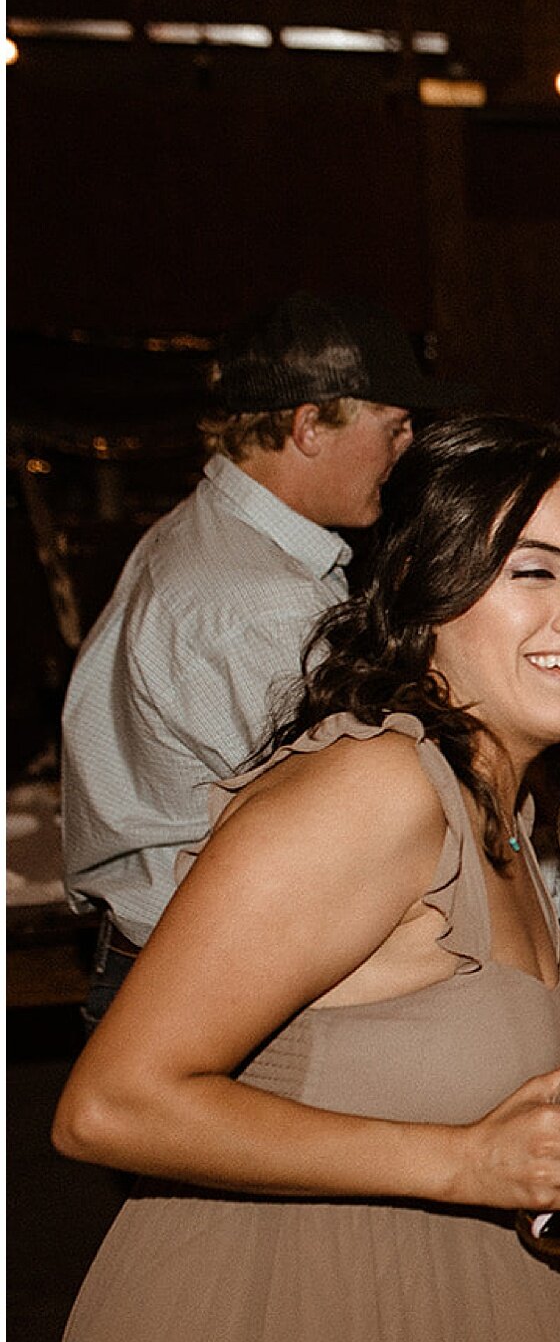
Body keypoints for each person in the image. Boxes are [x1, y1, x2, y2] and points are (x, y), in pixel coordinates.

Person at [44, 416, 560, 1342]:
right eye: (529, 570)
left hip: (432, 1334)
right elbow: (108, 1104)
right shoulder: (375, 785)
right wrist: (465, 1160)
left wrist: (544, 1180)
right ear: (427, 592)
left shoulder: (504, 808)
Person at [58, 291, 470, 1025]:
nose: (407, 448)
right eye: (395, 425)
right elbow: (346, 838)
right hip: (207, 980)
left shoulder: (203, 536)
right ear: (310, 425)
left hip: (165, 958)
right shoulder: (260, 599)